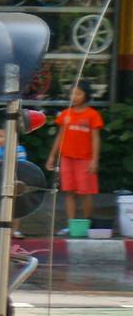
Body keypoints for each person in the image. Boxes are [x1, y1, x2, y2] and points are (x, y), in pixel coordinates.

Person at [45, 85, 103, 229]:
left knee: (84, 192)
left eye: (78, 93)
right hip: (67, 158)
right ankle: (71, 225)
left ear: (86, 95)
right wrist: (52, 156)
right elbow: (60, 136)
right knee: (69, 192)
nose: (74, 97)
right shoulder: (65, 114)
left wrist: (94, 160)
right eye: (72, 94)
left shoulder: (92, 115)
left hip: (85, 159)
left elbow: (96, 138)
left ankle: (87, 223)